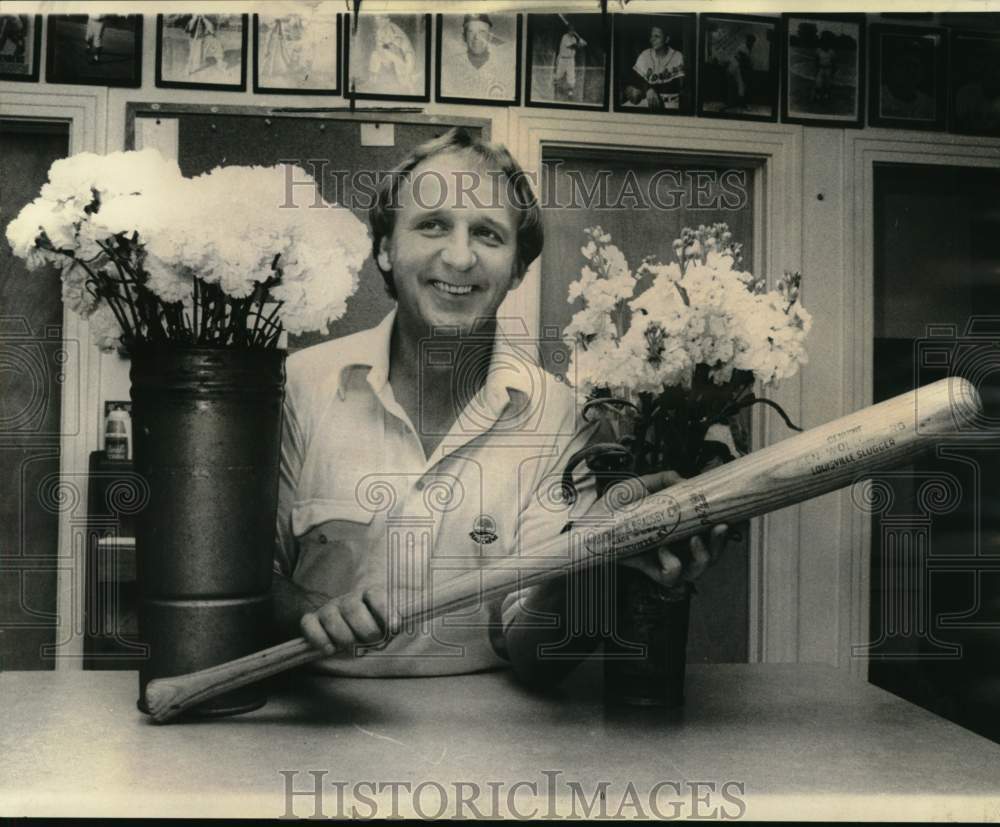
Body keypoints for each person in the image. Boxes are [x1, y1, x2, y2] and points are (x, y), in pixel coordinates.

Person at [272, 129, 729, 685]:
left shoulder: (559, 414)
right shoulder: (299, 385)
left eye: (487, 234)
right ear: (386, 248)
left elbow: (538, 656)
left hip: (490, 741)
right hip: (317, 725)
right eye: (433, 224)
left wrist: (592, 556)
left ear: (516, 269)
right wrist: (307, 612)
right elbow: (242, 581)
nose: (459, 256)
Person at [442, 14, 512, 101]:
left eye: (482, 32)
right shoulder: (449, 67)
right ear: (464, 37)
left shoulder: (504, 67)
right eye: (471, 32)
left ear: (490, 37)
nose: (476, 38)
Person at [630, 25, 685, 111]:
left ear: (667, 39)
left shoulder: (677, 56)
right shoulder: (645, 54)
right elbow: (635, 78)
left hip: (670, 102)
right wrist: (648, 89)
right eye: (651, 36)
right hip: (649, 99)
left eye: (657, 36)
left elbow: (679, 84)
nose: (652, 39)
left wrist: (651, 89)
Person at [367, 15, 416, 94]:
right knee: (374, 55)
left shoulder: (393, 28)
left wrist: (387, 46)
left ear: (387, 20)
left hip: (403, 56)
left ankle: (409, 86)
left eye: (380, 19)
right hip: (388, 55)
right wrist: (383, 49)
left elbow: (399, 46)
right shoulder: (379, 31)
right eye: (377, 20)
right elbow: (379, 46)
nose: (377, 22)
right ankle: (372, 80)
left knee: (404, 76)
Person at [553, 23, 587, 100]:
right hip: (562, 59)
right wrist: (581, 43)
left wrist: (581, 45)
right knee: (559, 75)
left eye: (573, 30)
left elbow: (577, 48)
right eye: (571, 30)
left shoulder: (574, 39)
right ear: (568, 30)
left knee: (571, 76)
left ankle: (570, 92)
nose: (572, 31)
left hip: (571, 60)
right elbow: (572, 46)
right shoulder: (564, 37)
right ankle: (555, 82)